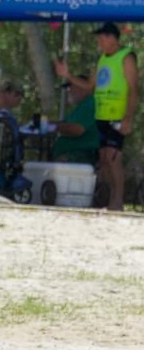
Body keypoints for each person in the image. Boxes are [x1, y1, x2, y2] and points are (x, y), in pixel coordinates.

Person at [55, 21, 138, 211]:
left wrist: (128, 118)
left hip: (117, 115)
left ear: (111, 38)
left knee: (113, 156)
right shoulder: (102, 59)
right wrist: (68, 76)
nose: (98, 41)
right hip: (101, 115)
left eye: (101, 38)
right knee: (103, 158)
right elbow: (90, 86)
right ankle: (111, 200)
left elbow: (134, 90)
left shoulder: (126, 57)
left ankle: (118, 202)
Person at [51, 76, 99, 165]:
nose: (68, 91)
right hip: (71, 153)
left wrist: (53, 126)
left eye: (71, 87)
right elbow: (66, 124)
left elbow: (76, 129)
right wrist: (47, 123)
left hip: (81, 154)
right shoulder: (81, 106)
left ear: (83, 87)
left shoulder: (90, 103)